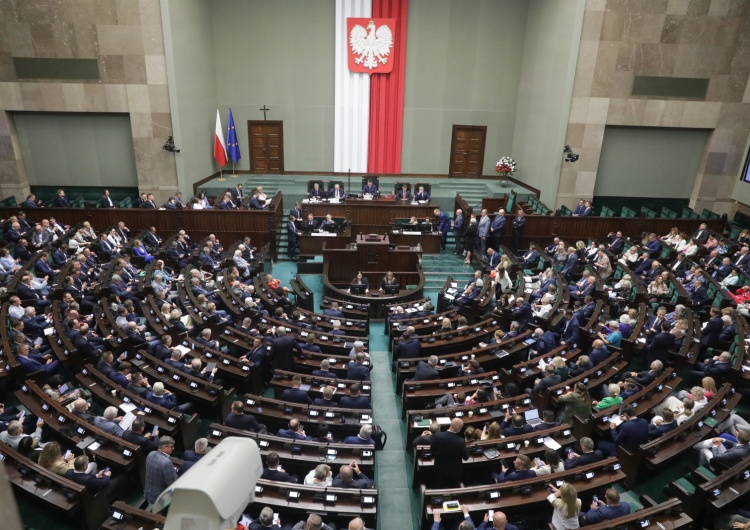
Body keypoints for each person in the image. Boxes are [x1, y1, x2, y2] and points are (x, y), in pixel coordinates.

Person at [430, 418, 469, 488]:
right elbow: (466, 457)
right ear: (458, 428)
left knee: (439, 487)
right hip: (454, 472)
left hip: (439, 468)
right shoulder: (461, 441)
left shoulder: (438, 435)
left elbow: (432, 450)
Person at [144, 436, 177, 510]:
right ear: (164, 447)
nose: (173, 448)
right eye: (171, 447)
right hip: (161, 498)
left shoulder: (151, 454)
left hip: (149, 491)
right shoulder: (166, 463)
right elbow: (172, 484)